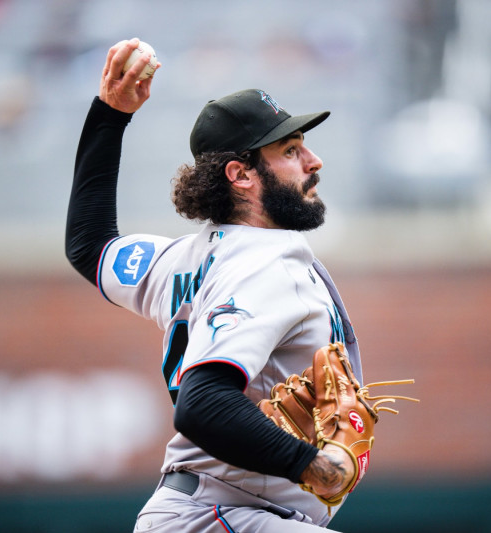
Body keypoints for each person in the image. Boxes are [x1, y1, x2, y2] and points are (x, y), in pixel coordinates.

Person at [66, 38, 364, 532]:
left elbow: (89, 245)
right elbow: (202, 403)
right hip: (223, 514)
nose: (314, 161)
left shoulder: (187, 257)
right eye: (291, 150)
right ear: (240, 175)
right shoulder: (265, 262)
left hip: (200, 513)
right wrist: (313, 466)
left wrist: (110, 115)